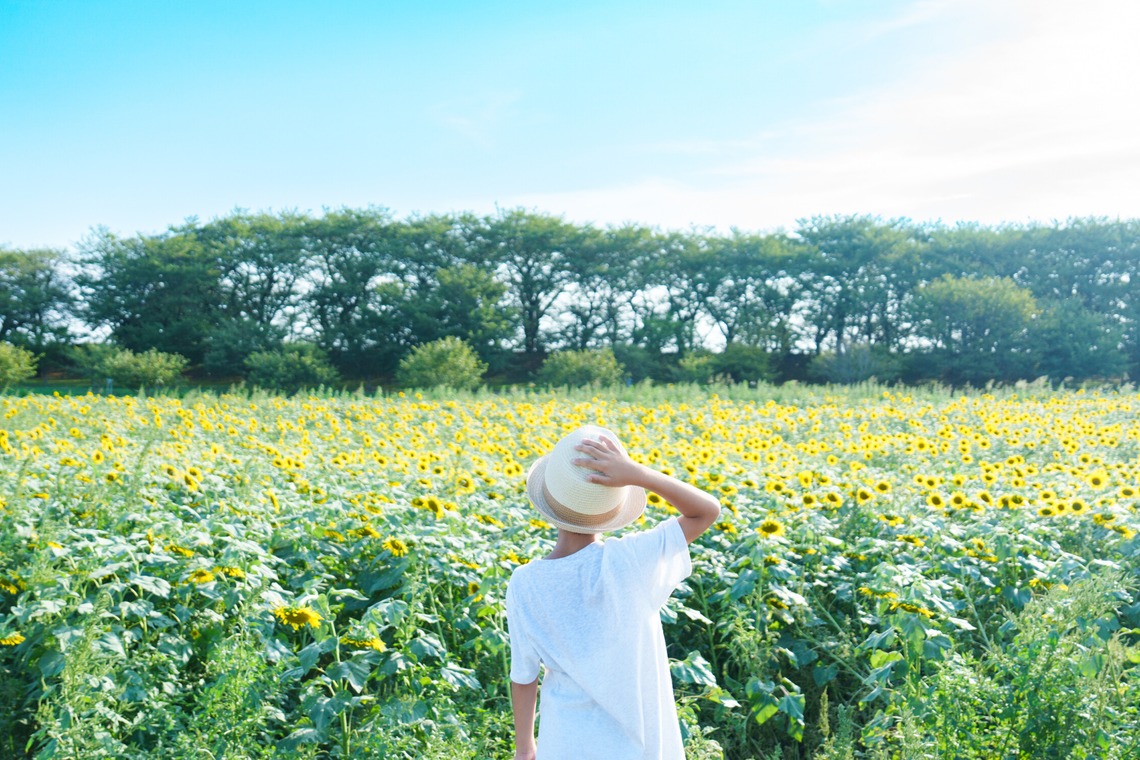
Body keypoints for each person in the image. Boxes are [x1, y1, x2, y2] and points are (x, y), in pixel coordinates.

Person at [506, 424, 722, 760]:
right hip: (635, 747)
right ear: (612, 506)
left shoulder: (525, 581)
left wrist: (525, 748)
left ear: (549, 499)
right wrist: (637, 473)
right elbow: (707, 510)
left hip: (565, 742)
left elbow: (523, 675)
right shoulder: (632, 560)